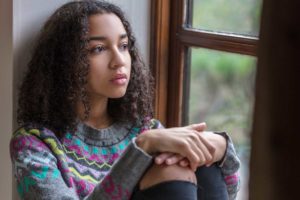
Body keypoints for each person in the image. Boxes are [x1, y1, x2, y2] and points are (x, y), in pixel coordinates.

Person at [10, 0, 240, 199]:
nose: (119, 61)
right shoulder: (34, 144)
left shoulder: (146, 129)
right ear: (64, 61)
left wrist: (221, 148)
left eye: (123, 46)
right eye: (98, 49)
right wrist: (141, 147)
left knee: (192, 161)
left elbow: (226, 192)